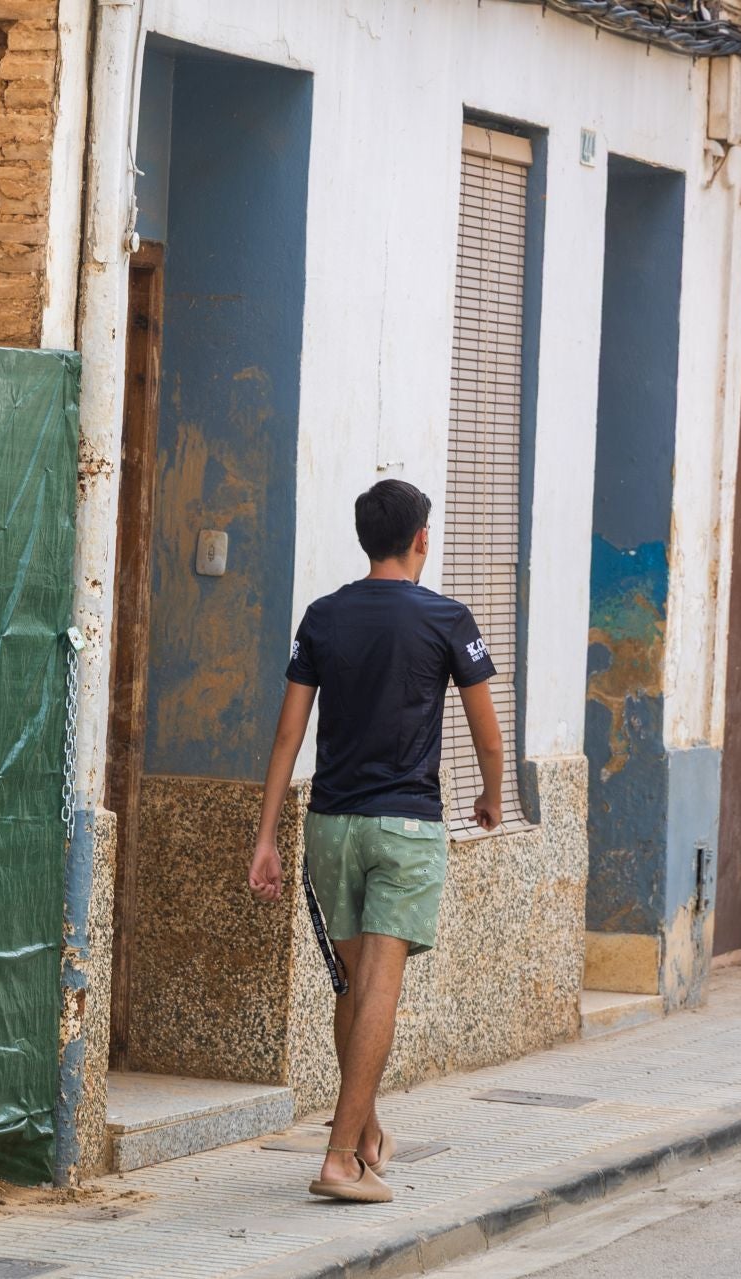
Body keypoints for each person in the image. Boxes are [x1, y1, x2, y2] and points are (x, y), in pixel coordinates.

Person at [246, 478, 502, 1203]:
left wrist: (267, 834)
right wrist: (491, 796)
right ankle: (337, 1159)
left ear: (367, 539)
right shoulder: (447, 618)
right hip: (407, 826)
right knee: (381, 986)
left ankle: (364, 1130)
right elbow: (487, 734)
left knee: (357, 986)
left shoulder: (323, 616)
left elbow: (289, 731)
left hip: (331, 825)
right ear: (422, 538)